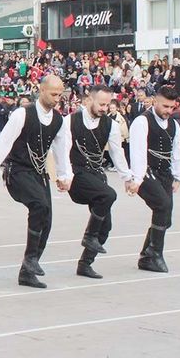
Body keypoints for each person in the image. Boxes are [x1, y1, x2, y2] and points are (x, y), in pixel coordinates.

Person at [0, 75, 72, 289]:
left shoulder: (59, 120)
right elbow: (3, 142)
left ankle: (28, 270)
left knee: (47, 220)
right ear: (41, 91)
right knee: (39, 206)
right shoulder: (22, 114)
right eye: (53, 94)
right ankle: (31, 258)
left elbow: (62, 150)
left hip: (39, 173)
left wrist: (64, 176)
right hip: (18, 171)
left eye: (60, 94)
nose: (57, 98)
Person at [66, 85, 134, 279]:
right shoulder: (70, 121)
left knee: (105, 226)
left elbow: (116, 152)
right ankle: (89, 236)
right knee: (109, 195)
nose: (104, 108)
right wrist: (63, 176)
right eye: (101, 104)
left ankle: (85, 264)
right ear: (89, 101)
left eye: (107, 104)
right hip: (77, 174)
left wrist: (127, 178)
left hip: (96, 175)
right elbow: (59, 148)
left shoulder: (111, 125)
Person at [129, 86, 180, 273]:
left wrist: (178, 176)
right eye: (165, 106)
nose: (168, 111)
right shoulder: (142, 121)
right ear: (155, 101)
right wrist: (136, 179)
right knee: (162, 205)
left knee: (166, 218)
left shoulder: (174, 125)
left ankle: (146, 255)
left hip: (165, 173)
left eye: (171, 107)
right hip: (146, 171)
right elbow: (137, 152)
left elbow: (176, 151)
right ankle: (155, 253)